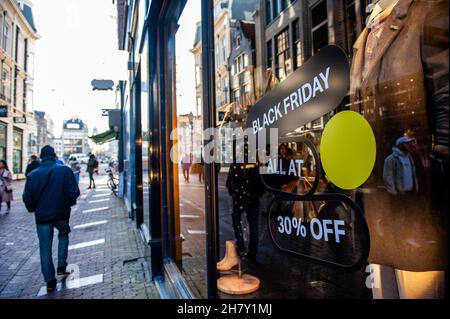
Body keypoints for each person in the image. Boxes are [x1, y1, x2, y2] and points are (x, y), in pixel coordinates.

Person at [22, 145, 80, 292]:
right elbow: (74, 191)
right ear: (54, 156)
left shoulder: (33, 175)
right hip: (61, 213)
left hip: (42, 216)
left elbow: (27, 197)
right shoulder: (65, 170)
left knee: (45, 246)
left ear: (41, 157)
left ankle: (49, 281)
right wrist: (68, 203)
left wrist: (34, 208)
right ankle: (62, 266)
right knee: (63, 235)